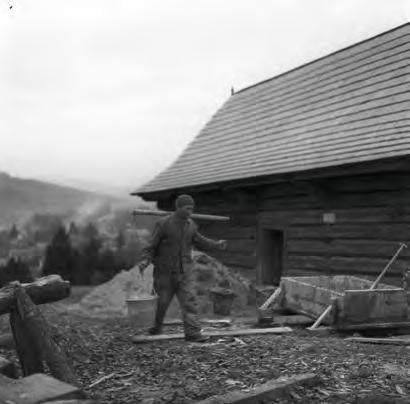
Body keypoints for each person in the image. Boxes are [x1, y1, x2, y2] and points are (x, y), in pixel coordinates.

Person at [138, 194, 227, 342]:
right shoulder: (164, 224)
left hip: (185, 271)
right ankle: (156, 327)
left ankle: (193, 334)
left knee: (190, 302)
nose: (190, 211)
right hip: (164, 272)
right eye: (187, 208)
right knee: (162, 302)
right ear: (178, 208)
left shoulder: (191, 225)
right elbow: (151, 245)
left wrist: (217, 244)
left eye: (192, 209)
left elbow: (200, 241)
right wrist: (145, 260)